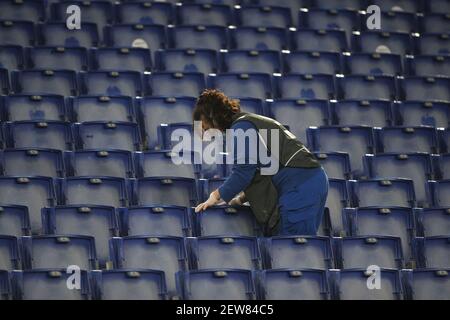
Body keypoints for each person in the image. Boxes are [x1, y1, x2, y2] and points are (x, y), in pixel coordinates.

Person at [193, 89, 329, 236]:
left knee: (293, 252)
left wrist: (216, 196)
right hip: (310, 182)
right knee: (300, 246)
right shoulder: (247, 122)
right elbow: (263, 170)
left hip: (300, 187)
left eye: (206, 126)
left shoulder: (241, 128)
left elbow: (243, 172)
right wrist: (240, 200)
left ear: (213, 116)